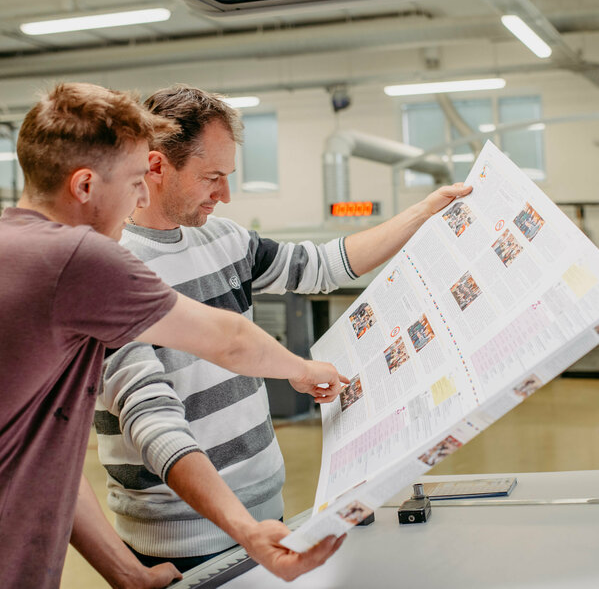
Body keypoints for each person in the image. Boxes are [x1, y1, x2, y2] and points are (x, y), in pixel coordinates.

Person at [90, 84, 472, 577]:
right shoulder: (111, 270)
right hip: (180, 536)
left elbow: (324, 266)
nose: (225, 194)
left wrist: (423, 213)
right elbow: (150, 419)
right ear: (158, 167)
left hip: (265, 510)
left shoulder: (225, 239)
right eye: (212, 177)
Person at [0, 82, 347, 589]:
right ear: (84, 187)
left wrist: (127, 574)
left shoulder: (16, 249)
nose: (143, 196)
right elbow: (226, 340)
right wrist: (303, 370)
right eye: (136, 180)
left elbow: (43, 454)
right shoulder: (78, 259)